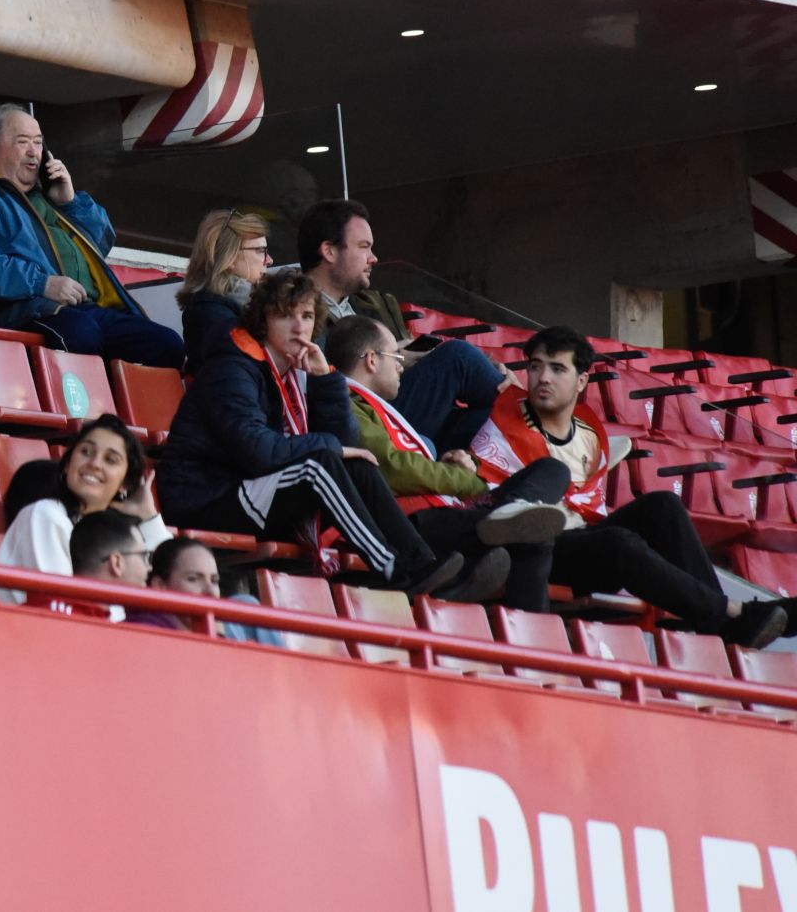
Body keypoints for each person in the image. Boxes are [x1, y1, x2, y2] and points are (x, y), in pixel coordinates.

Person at [158, 270, 497, 600]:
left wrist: (324, 380)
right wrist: (332, 447)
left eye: (307, 316)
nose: (299, 326)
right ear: (262, 320)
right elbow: (259, 451)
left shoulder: (294, 373)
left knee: (358, 465)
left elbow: (346, 444)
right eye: (285, 315)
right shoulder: (232, 369)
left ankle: (420, 563)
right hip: (206, 499)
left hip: (251, 489)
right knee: (319, 464)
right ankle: (391, 568)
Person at [469, 326, 791, 646]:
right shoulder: (502, 420)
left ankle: (721, 619)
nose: (543, 377)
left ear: (582, 381)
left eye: (557, 368)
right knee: (619, 541)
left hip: (586, 542)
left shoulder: (588, 434)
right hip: (537, 547)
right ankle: (732, 616)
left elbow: (586, 505)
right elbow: (489, 497)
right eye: (535, 366)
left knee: (663, 505)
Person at [326, 315, 571, 611]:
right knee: (534, 536)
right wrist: (470, 482)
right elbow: (393, 467)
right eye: (395, 356)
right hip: (414, 522)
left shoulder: (374, 406)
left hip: (448, 511)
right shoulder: (343, 403)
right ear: (372, 361)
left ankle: (508, 517)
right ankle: (534, 645)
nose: (401, 364)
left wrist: (449, 462)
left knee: (554, 470)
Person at [0, 104, 184, 367]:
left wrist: (69, 203)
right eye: (22, 142)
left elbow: (101, 242)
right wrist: (43, 284)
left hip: (82, 309)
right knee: (80, 334)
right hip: (18, 310)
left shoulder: (47, 197)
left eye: (38, 143)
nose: (33, 152)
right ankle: (88, 409)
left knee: (167, 345)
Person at [300, 198, 509, 455]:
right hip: (364, 420)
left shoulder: (377, 304)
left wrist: (489, 366)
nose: (373, 258)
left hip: (404, 412)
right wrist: (391, 356)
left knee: (487, 419)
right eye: (364, 247)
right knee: (458, 357)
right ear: (329, 251)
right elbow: (322, 383)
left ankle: (529, 423)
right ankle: (538, 419)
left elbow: (414, 370)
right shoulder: (298, 312)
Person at [0, 414, 169, 604]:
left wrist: (148, 518)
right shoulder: (46, 515)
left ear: (125, 484)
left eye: (110, 460)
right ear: (68, 464)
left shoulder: (114, 532)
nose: (94, 463)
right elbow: (60, 608)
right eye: (86, 451)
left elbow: (172, 583)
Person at [125, 537, 288, 647]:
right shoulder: (142, 632)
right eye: (193, 579)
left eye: (214, 580)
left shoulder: (246, 612)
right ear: (160, 585)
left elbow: (284, 676)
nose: (210, 591)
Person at [177, 207, 273, 375]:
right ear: (230, 258)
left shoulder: (245, 306)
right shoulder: (210, 314)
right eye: (260, 251)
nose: (269, 260)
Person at [22, 509, 152, 619]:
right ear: (116, 562)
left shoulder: (42, 608)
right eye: (144, 557)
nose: (149, 567)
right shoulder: (66, 620)